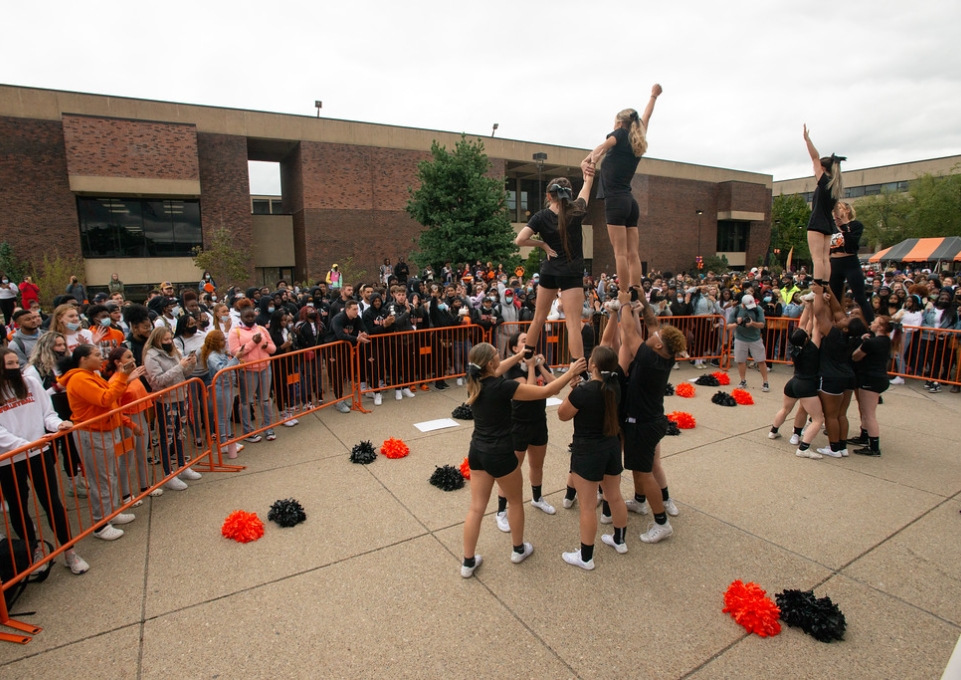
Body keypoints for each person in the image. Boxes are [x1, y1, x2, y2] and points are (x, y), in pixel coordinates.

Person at [459, 342, 584, 578]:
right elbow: (546, 392)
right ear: (490, 363)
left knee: (476, 508)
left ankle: (467, 562)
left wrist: (518, 356)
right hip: (501, 454)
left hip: (478, 452)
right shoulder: (503, 386)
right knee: (516, 502)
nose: (500, 357)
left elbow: (494, 370)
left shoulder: (473, 382)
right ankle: (518, 549)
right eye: (497, 355)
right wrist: (571, 372)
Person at [0, 348, 88, 574]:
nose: (14, 369)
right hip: (8, 460)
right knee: (19, 509)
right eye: (8, 365)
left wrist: (57, 424)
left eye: (15, 364)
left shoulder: (29, 382)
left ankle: (70, 552)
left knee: (52, 503)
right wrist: (24, 445)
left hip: (39, 453)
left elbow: (46, 413)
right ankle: (33, 552)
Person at [615, 291, 687, 544]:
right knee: (638, 466)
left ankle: (661, 523)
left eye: (654, 336)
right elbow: (654, 323)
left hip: (643, 424)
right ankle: (639, 501)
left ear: (657, 345)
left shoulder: (648, 359)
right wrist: (642, 304)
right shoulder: (665, 354)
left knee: (645, 473)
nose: (651, 333)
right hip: (651, 419)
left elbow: (629, 333)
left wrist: (624, 302)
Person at [581, 84, 662, 299]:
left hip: (616, 200)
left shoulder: (619, 134)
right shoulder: (637, 138)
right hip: (630, 202)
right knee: (633, 253)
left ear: (619, 122)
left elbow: (602, 146)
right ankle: (637, 289)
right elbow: (647, 115)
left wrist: (591, 159)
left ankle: (625, 293)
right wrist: (653, 96)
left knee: (620, 253)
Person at [59, 344, 144, 541]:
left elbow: (111, 399)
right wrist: (123, 378)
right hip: (92, 433)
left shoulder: (92, 375)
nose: (101, 358)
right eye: (97, 355)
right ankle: (101, 523)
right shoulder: (79, 378)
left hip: (106, 430)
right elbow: (105, 399)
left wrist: (125, 380)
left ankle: (112, 513)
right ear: (83, 359)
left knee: (110, 474)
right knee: (101, 479)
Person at [513, 168, 596, 366]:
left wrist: (542, 244)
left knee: (539, 317)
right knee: (573, 324)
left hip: (549, 270)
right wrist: (589, 175)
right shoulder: (577, 211)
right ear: (569, 194)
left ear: (549, 196)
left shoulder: (541, 217)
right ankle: (579, 370)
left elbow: (520, 240)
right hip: (572, 272)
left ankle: (527, 355)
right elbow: (587, 188)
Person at [557, 345, 628, 570]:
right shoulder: (615, 385)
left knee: (587, 507)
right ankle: (620, 540)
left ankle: (586, 557)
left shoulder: (584, 392)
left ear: (594, 365)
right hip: (611, 446)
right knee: (615, 496)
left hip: (587, 451)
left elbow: (562, 415)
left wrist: (573, 388)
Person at [492, 332, 557, 534]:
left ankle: (537, 498)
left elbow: (553, 385)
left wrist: (538, 366)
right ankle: (501, 511)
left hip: (539, 422)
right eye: (523, 341)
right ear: (514, 348)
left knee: (537, 465)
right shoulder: (510, 369)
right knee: (512, 470)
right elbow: (528, 393)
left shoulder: (537, 362)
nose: (529, 343)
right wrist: (530, 367)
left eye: (530, 340)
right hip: (518, 424)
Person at [143, 326, 203, 490]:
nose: (170, 342)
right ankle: (168, 474)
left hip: (180, 396)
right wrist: (180, 366)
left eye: (170, 339)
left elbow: (183, 373)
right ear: (157, 341)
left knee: (180, 433)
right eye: (166, 340)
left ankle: (182, 466)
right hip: (166, 401)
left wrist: (191, 363)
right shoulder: (151, 357)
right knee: (166, 437)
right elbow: (158, 380)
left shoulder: (174, 351)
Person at [767, 304, 826, 459]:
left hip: (793, 382)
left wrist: (809, 306)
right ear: (807, 338)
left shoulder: (794, 348)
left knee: (785, 409)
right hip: (806, 384)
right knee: (818, 419)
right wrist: (817, 306)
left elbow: (802, 325)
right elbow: (816, 325)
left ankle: (773, 431)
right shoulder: (812, 349)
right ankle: (804, 448)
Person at [103, 347, 159, 502]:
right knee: (126, 459)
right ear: (117, 362)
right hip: (126, 421)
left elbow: (139, 395)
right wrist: (131, 425)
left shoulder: (133, 376)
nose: (133, 360)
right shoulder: (115, 381)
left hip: (139, 417)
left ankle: (145, 486)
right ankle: (126, 495)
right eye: (129, 357)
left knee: (142, 454)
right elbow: (114, 407)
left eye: (133, 356)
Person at [814, 287, 864, 458]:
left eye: (847, 319)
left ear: (845, 329)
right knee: (842, 414)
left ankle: (834, 448)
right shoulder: (852, 335)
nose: (844, 317)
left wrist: (818, 295)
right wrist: (829, 290)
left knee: (831, 415)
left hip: (832, 377)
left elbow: (820, 315)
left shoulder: (835, 335)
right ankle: (842, 446)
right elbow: (837, 310)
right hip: (848, 376)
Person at [228, 303, 278, 441]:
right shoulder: (235, 332)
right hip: (248, 370)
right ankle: (248, 431)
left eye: (252, 316)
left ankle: (268, 428)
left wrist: (266, 346)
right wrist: (253, 343)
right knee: (247, 401)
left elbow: (273, 349)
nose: (250, 319)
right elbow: (235, 352)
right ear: (242, 318)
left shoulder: (261, 329)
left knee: (266, 399)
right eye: (247, 316)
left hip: (265, 367)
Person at [802, 125, 844, 288]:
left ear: (823, 168)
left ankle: (818, 285)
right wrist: (841, 225)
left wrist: (807, 140)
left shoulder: (824, 182)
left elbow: (815, 157)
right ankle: (825, 284)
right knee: (825, 258)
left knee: (817, 258)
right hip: (828, 225)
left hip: (817, 223)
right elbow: (837, 213)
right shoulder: (835, 187)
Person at [850, 316, 893, 456]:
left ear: (880, 327)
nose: (871, 323)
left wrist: (863, 343)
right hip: (879, 378)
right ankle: (864, 435)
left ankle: (874, 447)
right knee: (865, 410)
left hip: (870, 379)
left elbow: (856, 356)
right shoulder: (886, 341)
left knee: (869, 414)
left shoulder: (871, 343)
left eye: (875, 322)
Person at [830, 202, 872, 322]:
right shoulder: (831, 227)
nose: (836, 212)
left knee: (860, 297)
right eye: (834, 210)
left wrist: (843, 228)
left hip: (850, 261)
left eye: (839, 209)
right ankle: (837, 326)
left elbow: (852, 245)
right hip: (835, 262)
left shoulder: (855, 225)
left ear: (847, 210)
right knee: (835, 298)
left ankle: (870, 325)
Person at [203, 330, 241, 460]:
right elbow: (223, 370)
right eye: (221, 340)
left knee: (227, 415)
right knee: (221, 417)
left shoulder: (222, 353)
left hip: (228, 386)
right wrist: (236, 359)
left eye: (224, 339)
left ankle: (229, 441)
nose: (224, 342)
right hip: (219, 387)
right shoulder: (213, 356)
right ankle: (224, 443)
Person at [734, 295, 770, 391]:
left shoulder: (758, 309)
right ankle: (743, 380)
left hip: (755, 339)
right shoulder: (737, 309)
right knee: (741, 360)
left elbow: (762, 325)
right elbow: (729, 323)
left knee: (761, 360)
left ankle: (765, 382)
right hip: (740, 338)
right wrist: (737, 322)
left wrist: (752, 323)